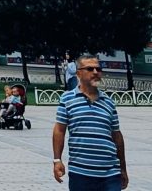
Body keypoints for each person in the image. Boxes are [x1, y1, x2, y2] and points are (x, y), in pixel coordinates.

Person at [53, 55, 129, 190]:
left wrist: (123, 168)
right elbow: (59, 130)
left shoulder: (109, 102)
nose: (95, 72)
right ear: (78, 73)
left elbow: (116, 135)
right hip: (80, 173)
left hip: (110, 174)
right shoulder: (67, 99)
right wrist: (57, 160)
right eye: (90, 69)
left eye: (98, 69)